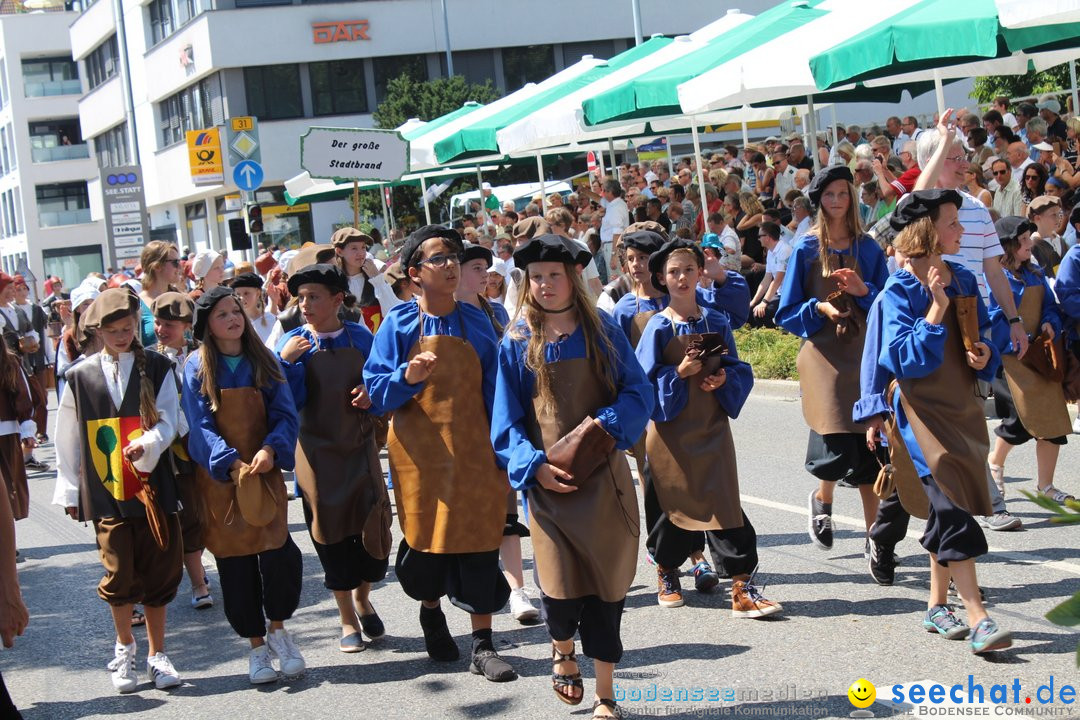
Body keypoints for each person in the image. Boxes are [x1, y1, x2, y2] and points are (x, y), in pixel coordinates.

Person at [490, 234, 652, 719]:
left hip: (604, 481)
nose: (544, 285)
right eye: (535, 277)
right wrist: (532, 466)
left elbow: (637, 391)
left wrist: (609, 424)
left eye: (553, 276)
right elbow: (506, 421)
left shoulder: (603, 330)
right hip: (549, 488)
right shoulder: (517, 342)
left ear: (573, 277)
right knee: (560, 591)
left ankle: (606, 695)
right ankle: (562, 650)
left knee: (607, 591)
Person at [364, 225, 516, 682]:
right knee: (429, 546)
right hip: (420, 457)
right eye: (439, 258)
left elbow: (499, 390)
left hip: (474, 451)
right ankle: (431, 612)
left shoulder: (478, 322)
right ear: (414, 273)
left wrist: (506, 449)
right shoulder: (398, 324)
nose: (450, 264)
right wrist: (405, 378)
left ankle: (484, 644)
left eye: (454, 256)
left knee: (479, 543)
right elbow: (375, 393)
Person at [862, 190, 1012, 654]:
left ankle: (934, 606)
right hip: (918, 416)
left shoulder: (963, 277)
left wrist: (985, 354)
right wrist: (936, 308)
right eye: (952, 223)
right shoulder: (898, 291)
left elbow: (984, 334)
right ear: (927, 230)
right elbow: (902, 360)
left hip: (962, 410)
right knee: (951, 508)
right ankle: (978, 616)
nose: (961, 232)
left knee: (951, 504)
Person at [636, 238, 781, 619]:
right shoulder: (657, 327)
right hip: (670, 435)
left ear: (701, 272)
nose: (681, 277)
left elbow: (735, 368)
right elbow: (638, 385)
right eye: (673, 272)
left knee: (725, 504)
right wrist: (677, 374)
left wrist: (722, 380)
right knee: (673, 506)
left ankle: (741, 587)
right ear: (662, 279)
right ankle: (667, 571)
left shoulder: (715, 320)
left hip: (712, 426)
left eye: (688, 269)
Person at [52, 288, 184, 692]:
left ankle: (157, 655)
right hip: (106, 486)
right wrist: (70, 491)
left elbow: (172, 420)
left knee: (160, 566)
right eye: (113, 331)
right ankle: (124, 646)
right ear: (97, 331)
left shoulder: (158, 366)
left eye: (128, 328)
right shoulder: (79, 375)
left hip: (152, 483)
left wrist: (151, 441)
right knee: (118, 570)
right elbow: (67, 439)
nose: (123, 336)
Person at [182, 286, 305, 684]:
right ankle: (255, 648)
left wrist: (272, 449)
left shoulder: (264, 360)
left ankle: (279, 631)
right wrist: (227, 461)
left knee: (280, 557)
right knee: (236, 567)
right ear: (207, 326)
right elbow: (198, 426)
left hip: (263, 472)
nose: (233, 319)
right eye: (222, 314)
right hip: (222, 481)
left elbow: (285, 414)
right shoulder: (195, 367)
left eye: (236, 311)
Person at [276, 264, 392, 652]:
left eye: (314, 297)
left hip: (359, 449)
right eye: (301, 297)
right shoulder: (292, 343)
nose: (305, 305)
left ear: (338, 300)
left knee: (372, 534)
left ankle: (363, 596)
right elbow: (283, 404)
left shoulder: (361, 336)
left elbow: (380, 380)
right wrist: (287, 363)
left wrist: (370, 391)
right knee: (330, 537)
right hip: (315, 455)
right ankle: (347, 617)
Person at [775, 166, 890, 553]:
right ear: (818, 200)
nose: (837, 201)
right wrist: (819, 307)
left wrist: (863, 290)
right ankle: (822, 499)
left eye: (843, 193)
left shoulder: (869, 248)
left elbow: (890, 306)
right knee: (834, 435)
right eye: (829, 195)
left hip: (864, 353)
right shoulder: (806, 249)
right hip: (823, 353)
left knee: (869, 445)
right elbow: (785, 310)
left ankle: (876, 537)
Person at [451, 242, 538, 623]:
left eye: (486, 267)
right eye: (475, 267)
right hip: (455, 434)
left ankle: (517, 591)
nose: (484, 274)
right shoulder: (439, 316)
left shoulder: (499, 311)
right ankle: (444, 604)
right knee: (466, 519)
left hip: (496, 426)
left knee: (505, 511)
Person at [986, 217, 1075, 504]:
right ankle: (995, 464)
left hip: (1039, 357)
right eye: (1023, 240)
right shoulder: (996, 277)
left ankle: (1046, 486)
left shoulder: (1035, 274)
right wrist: (1013, 336)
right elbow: (991, 317)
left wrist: (1050, 323)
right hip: (1010, 361)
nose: (1029, 243)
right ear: (1008, 246)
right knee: (1018, 421)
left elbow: (1051, 307)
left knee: (1053, 421)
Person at [150, 292, 212, 610]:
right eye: (158, 323)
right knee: (187, 516)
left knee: (209, 514)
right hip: (174, 453)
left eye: (169, 324)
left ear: (188, 326)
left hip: (206, 444)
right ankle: (198, 582)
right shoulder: (151, 361)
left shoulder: (203, 356)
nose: (161, 329)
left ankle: (209, 570)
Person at [11, 277, 49, 445]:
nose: (21, 292)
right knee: (23, 399)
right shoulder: (11, 309)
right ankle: (26, 435)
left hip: (36, 357)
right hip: (18, 361)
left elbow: (40, 334)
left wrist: (49, 355)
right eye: (17, 289)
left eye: (23, 289)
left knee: (41, 397)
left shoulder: (35, 310)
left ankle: (41, 431)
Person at [332, 227, 384, 332]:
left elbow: (394, 309)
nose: (361, 253)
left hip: (377, 342)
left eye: (363, 247)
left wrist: (378, 279)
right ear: (339, 251)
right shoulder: (334, 283)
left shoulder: (374, 276)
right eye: (354, 248)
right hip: (349, 346)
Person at [139, 241, 182, 348]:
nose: (180, 267)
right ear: (157, 266)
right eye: (175, 262)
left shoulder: (182, 299)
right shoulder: (135, 305)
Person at [748, 222, 791, 329]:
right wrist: (753, 302)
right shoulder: (771, 252)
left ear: (767, 237)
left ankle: (780, 336)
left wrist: (764, 302)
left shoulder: (784, 250)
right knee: (751, 310)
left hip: (789, 294)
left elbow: (777, 280)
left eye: (759, 236)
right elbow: (766, 280)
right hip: (780, 292)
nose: (758, 239)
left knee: (761, 313)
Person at [229, 272, 276, 344]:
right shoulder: (236, 323)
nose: (241, 298)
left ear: (258, 293)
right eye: (238, 294)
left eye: (246, 293)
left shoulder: (271, 319)